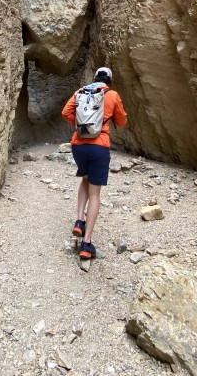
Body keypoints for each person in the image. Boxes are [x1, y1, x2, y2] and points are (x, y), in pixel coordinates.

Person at [61, 66, 128, 260]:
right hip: (99, 146)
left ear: (95, 78)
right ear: (109, 81)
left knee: (85, 179)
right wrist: (97, 126)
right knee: (95, 193)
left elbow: (66, 112)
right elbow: (122, 122)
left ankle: (79, 221)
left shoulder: (80, 92)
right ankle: (86, 243)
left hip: (78, 145)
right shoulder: (112, 95)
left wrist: (83, 126)